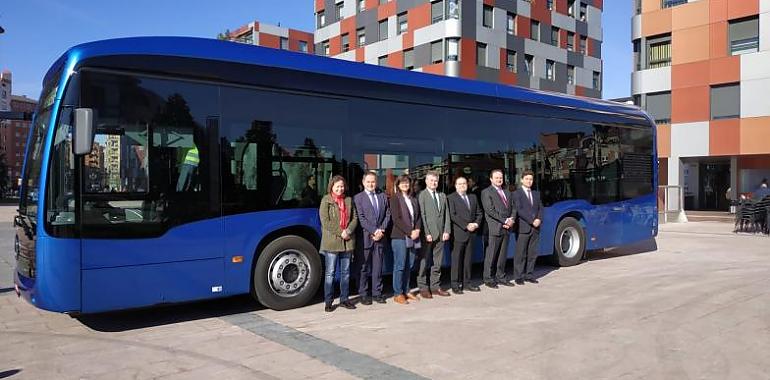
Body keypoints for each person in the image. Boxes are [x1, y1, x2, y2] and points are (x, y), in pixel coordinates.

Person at [319, 175, 359, 312]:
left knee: (346, 273)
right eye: (337, 186)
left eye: (342, 186)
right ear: (332, 187)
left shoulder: (348, 200)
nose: (340, 189)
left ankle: (344, 299)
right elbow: (325, 221)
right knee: (330, 273)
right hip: (332, 242)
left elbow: (355, 218)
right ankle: (328, 301)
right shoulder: (326, 200)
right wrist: (340, 232)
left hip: (347, 242)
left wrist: (348, 230)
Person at [354, 172, 391, 305]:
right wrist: (374, 230)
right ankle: (363, 294)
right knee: (363, 267)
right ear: (363, 183)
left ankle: (377, 293)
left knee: (378, 267)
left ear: (376, 182)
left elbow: (388, 214)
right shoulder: (358, 198)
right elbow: (361, 218)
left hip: (380, 237)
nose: (371, 184)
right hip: (365, 238)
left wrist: (381, 230)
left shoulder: (382, 196)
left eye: (373, 182)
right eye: (368, 182)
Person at [417, 171, 452, 298]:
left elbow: (446, 214)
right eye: (431, 180)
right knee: (424, 262)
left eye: (436, 180)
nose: (434, 183)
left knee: (437, 263)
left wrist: (447, 230)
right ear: (426, 181)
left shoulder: (442, 195)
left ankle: (435, 286)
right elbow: (422, 216)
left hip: (441, 234)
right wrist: (426, 233)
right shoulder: (422, 195)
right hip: (428, 235)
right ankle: (423, 287)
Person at [389, 174, 422, 305]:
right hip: (400, 237)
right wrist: (410, 232)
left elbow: (418, 217)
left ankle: (406, 290)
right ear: (398, 184)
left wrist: (418, 230)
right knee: (400, 265)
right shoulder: (395, 199)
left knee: (410, 264)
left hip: (414, 236)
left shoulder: (413, 198)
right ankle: (398, 293)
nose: (405, 184)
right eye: (402, 182)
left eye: (407, 182)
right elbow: (396, 219)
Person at [447, 176, 483, 294]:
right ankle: (455, 284)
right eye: (460, 184)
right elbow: (453, 215)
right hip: (459, 234)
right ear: (456, 186)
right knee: (456, 260)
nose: (462, 186)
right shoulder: (451, 198)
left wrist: (476, 224)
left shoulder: (472, 197)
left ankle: (467, 283)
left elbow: (479, 213)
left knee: (468, 260)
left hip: (471, 233)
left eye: (464, 184)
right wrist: (466, 225)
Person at [480, 169, 516, 288]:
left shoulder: (507, 192)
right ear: (491, 179)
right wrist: (505, 220)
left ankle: (501, 276)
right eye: (496, 178)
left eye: (500, 178)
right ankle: (488, 278)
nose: (499, 180)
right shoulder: (486, 192)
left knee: (502, 255)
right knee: (491, 255)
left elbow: (513, 208)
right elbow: (490, 210)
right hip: (494, 228)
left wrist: (511, 219)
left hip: (506, 228)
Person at [512, 170, 543, 285]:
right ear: (521, 180)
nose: (529, 181)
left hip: (535, 228)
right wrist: (532, 221)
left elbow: (541, 207)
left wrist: (539, 219)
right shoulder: (516, 193)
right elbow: (519, 210)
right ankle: (518, 276)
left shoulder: (536, 193)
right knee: (521, 253)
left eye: (531, 179)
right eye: (527, 179)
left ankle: (529, 275)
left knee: (532, 253)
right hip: (523, 228)